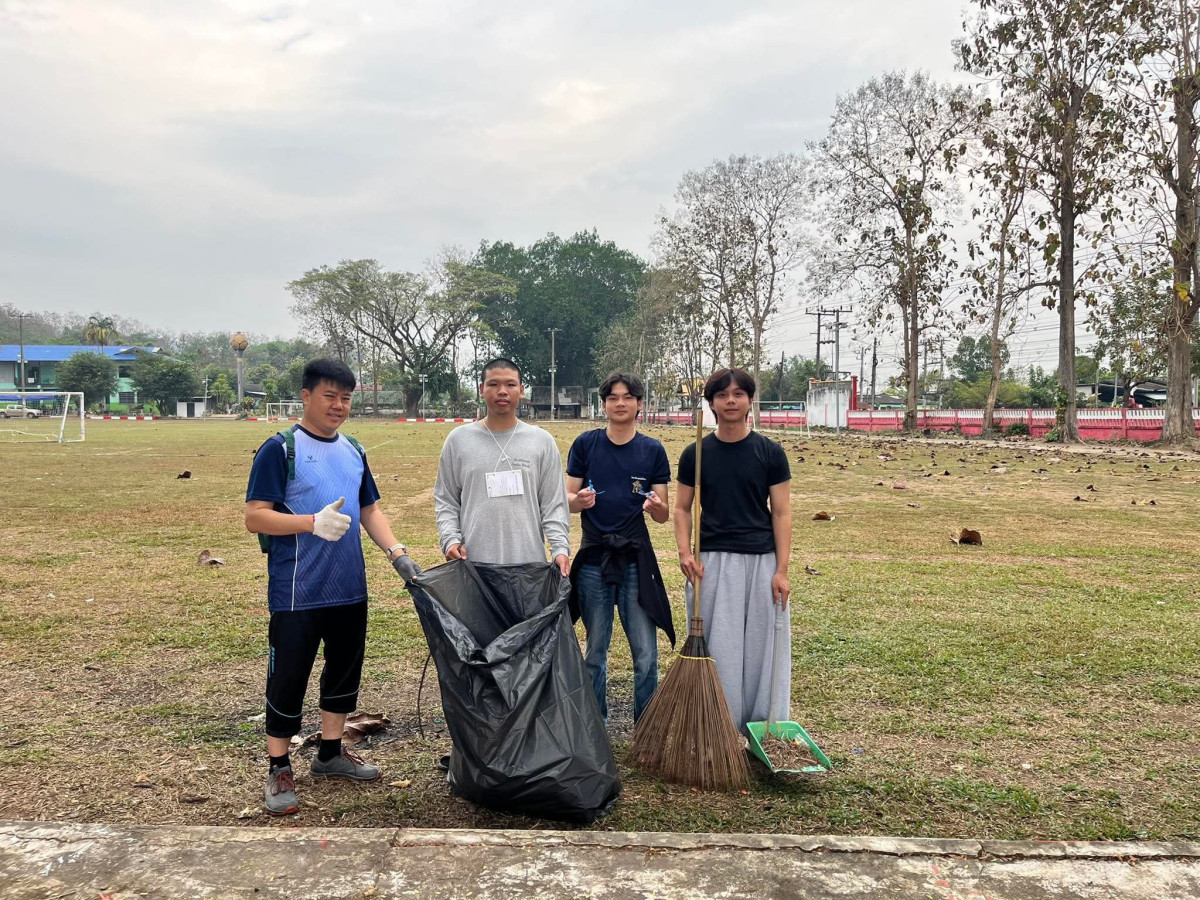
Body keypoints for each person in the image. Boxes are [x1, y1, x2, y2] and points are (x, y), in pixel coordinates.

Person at [245, 358, 417, 816]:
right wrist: (310, 522)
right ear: (306, 396)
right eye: (329, 396)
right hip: (298, 590)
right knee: (289, 676)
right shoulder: (280, 449)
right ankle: (278, 766)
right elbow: (255, 516)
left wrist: (397, 553)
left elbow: (369, 510)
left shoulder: (354, 449)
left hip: (348, 587)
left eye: (345, 398)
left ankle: (330, 753)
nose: (338, 405)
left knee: (343, 672)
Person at [675, 367, 792, 733]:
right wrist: (685, 552)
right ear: (711, 403)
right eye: (722, 395)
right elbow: (681, 508)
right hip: (713, 562)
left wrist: (781, 570)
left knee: (762, 649)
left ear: (750, 401)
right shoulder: (695, 454)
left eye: (738, 394)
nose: (730, 401)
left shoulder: (770, 453)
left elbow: (782, 512)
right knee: (720, 648)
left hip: (762, 560)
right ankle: (719, 728)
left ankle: (762, 727)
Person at [565, 372, 672, 724]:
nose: (620, 403)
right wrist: (578, 501)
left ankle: (647, 726)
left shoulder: (652, 450)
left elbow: (663, 514)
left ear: (640, 404)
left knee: (646, 653)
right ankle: (595, 725)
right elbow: (566, 499)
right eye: (613, 397)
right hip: (594, 558)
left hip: (635, 559)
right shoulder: (586, 444)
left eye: (628, 397)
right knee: (595, 650)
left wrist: (656, 508)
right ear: (604, 404)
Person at [433, 357, 570, 574]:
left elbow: (554, 504)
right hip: (473, 566)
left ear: (521, 390)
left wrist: (560, 549)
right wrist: (450, 540)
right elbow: (446, 499)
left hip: (529, 568)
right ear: (481, 389)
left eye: (510, 384)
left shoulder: (541, 441)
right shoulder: (458, 440)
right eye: (494, 384)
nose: (502, 391)